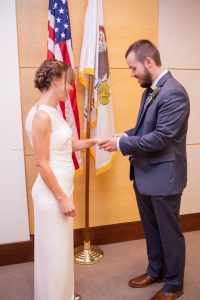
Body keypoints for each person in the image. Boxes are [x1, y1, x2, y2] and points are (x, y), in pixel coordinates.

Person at [99, 40, 190, 300]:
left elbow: (162, 138)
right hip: (145, 174)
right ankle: (156, 271)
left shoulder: (174, 92)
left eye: (133, 67)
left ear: (148, 61)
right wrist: (124, 135)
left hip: (165, 178)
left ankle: (174, 284)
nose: (132, 74)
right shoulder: (149, 90)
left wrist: (122, 144)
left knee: (169, 233)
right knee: (151, 229)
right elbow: (144, 130)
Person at [26, 59, 97, 300]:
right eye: (69, 83)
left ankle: (63, 295)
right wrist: (63, 199)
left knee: (60, 251)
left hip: (60, 192)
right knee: (54, 253)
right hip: (53, 196)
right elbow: (42, 163)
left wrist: (94, 143)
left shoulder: (53, 112)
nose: (70, 88)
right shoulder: (41, 117)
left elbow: (68, 144)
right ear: (56, 80)